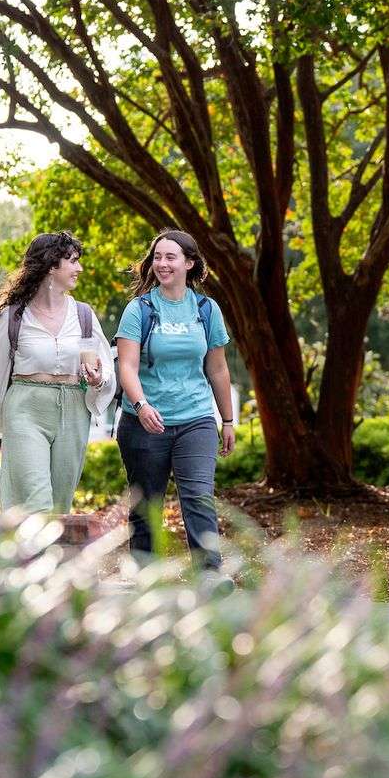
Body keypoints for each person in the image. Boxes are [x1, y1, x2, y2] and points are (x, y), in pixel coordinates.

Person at [0, 231, 116, 513]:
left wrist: (99, 379)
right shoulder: (14, 316)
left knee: (60, 504)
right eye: (72, 261)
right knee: (37, 499)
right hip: (26, 407)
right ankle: (36, 550)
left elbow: (105, 366)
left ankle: (46, 556)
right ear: (51, 266)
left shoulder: (83, 315)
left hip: (73, 409)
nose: (79, 268)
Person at [115, 229, 236, 570]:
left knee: (199, 496)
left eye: (171, 257)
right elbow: (127, 366)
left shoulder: (206, 309)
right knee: (146, 504)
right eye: (157, 257)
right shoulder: (139, 309)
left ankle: (210, 573)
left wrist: (227, 420)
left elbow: (217, 368)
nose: (162, 264)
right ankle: (146, 576)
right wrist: (141, 406)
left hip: (195, 418)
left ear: (189, 263)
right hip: (144, 423)